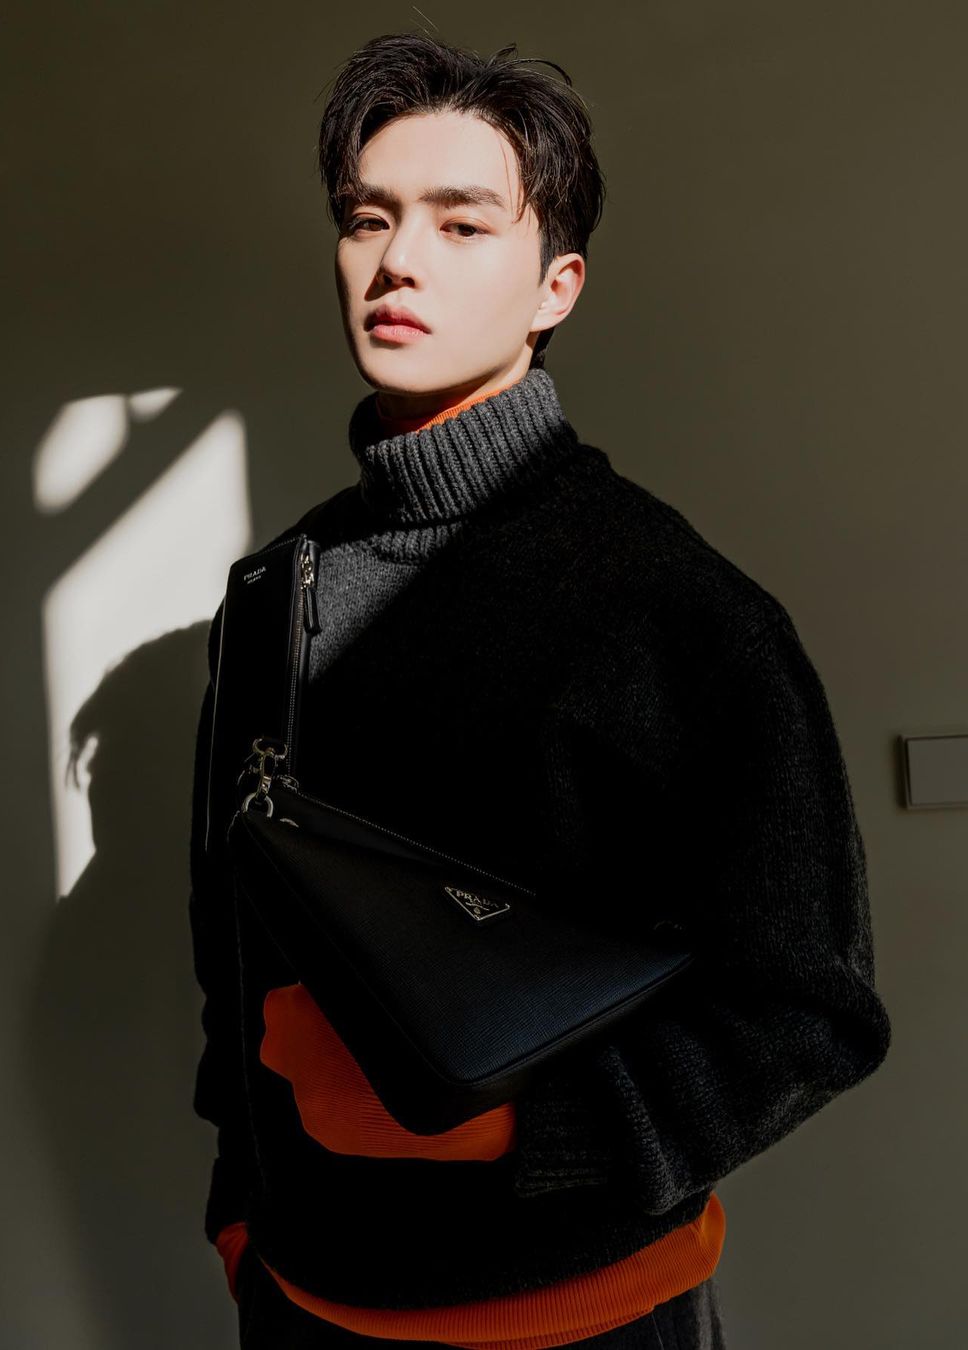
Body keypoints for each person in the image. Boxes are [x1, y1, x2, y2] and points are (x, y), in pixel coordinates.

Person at [187, 31, 892, 1349]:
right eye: (368, 219)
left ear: (554, 284)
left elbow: (808, 1009)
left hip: (583, 1320)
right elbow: (234, 953)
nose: (397, 260)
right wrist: (244, 1215)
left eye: (461, 224)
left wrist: (513, 1126)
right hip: (301, 1304)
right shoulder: (272, 593)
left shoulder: (673, 609)